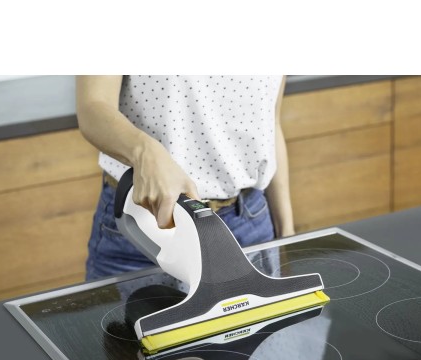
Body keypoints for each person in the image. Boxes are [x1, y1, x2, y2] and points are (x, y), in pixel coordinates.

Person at [76, 75, 294, 281]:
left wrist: (286, 233)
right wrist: (145, 152)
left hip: (249, 225)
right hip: (145, 225)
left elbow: (271, 124)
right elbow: (93, 106)